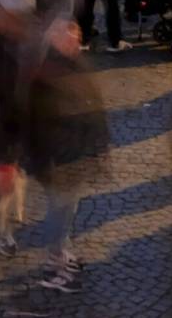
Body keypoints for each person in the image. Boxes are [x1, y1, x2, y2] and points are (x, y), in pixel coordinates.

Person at [23, 19, 111, 293]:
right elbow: (33, 123)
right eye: (69, 37)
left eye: (77, 35)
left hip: (76, 155)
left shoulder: (76, 64)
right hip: (59, 159)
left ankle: (62, 251)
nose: (76, 41)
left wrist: (97, 145)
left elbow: (91, 105)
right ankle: (54, 263)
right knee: (58, 212)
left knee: (67, 209)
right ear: (55, 41)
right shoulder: (44, 74)